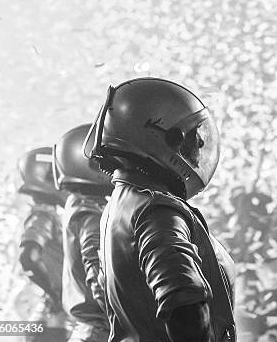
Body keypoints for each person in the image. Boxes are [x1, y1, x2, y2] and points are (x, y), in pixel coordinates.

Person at [84, 77, 235, 342]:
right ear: (160, 135)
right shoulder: (157, 210)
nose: (199, 150)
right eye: (191, 140)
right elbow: (184, 302)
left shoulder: (123, 202)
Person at [53, 124, 112, 342]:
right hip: (101, 332)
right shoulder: (90, 212)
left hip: (88, 331)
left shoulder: (76, 203)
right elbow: (99, 276)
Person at [17, 147, 69, 342]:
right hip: (53, 324)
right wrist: (56, 295)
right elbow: (28, 258)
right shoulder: (44, 216)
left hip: (52, 321)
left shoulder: (48, 214)